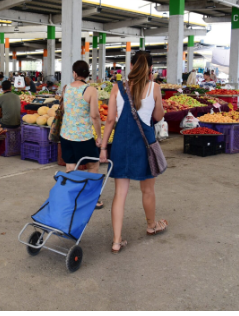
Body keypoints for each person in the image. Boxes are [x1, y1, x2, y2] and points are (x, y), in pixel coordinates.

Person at [100, 51, 167, 254]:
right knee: (147, 190)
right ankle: (151, 225)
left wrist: (103, 147)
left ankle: (116, 241)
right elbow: (159, 116)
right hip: (144, 144)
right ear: (150, 69)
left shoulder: (117, 87)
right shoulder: (154, 87)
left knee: (120, 193)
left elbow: (110, 120)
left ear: (130, 65)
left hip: (121, 144)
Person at [60, 60, 103, 209]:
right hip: (83, 136)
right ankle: (93, 199)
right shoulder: (90, 90)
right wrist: (99, 136)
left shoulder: (66, 89)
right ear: (87, 73)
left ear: (74, 73)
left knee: (71, 167)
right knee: (92, 166)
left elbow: (66, 109)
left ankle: (72, 197)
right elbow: (95, 116)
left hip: (66, 134)